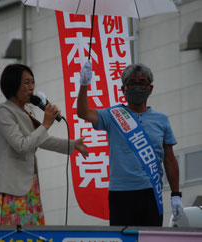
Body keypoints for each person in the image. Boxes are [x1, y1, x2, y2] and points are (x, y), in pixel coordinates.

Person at [77, 63, 183, 226]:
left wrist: (176, 194)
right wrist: (84, 85)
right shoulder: (112, 115)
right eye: (132, 83)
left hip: (151, 192)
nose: (137, 87)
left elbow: (169, 158)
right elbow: (83, 112)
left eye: (142, 83)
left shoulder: (162, 120)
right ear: (123, 89)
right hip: (120, 193)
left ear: (150, 89)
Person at [0, 64, 88, 226]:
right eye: (27, 83)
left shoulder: (28, 111)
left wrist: (73, 145)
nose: (32, 87)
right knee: (11, 235)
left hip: (28, 186)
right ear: (13, 85)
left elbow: (42, 139)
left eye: (33, 82)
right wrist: (46, 123)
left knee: (32, 234)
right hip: (9, 187)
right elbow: (21, 145)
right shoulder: (4, 111)